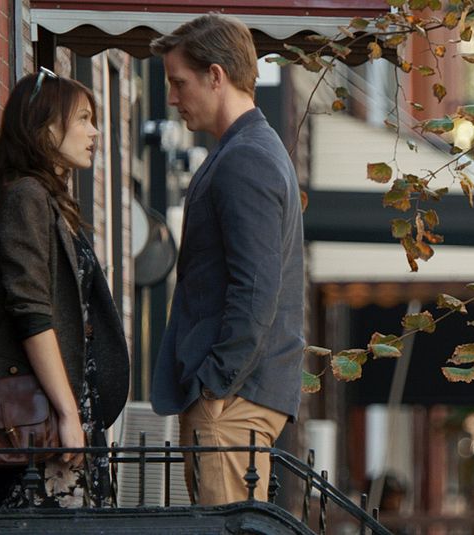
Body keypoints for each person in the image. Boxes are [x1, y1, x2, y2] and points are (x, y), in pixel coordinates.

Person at [148, 13, 305, 505]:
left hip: (233, 399)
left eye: (179, 82)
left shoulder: (246, 157)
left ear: (216, 75)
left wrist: (214, 385)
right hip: (237, 393)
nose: (173, 98)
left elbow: (255, 289)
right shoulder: (249, 148)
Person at [0, 67, 131, 507]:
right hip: (40, 426)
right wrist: (66, 412)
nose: (94, 132)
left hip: (66, 418)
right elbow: (32, 312)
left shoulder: (53, 203)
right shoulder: (26, 197)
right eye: (82, 118)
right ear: (44, 128)